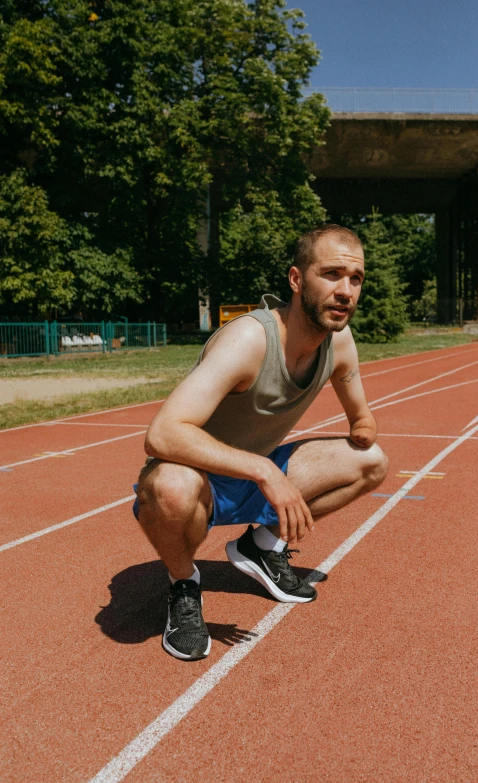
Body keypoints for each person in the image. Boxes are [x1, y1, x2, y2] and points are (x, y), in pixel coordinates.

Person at [133, 224, 388, 660]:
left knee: (372, 462)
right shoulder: (249, 340)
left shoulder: (339, 342)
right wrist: (263, 469)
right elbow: (161, 434)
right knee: (169, 488)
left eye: (356, 279)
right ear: (295, 279)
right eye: (331, 275)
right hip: (199, 481)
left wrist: (364, 427)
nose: (345, 290)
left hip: (255, 474)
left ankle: (263, 547)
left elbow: (360, 416)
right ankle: (184, 584)